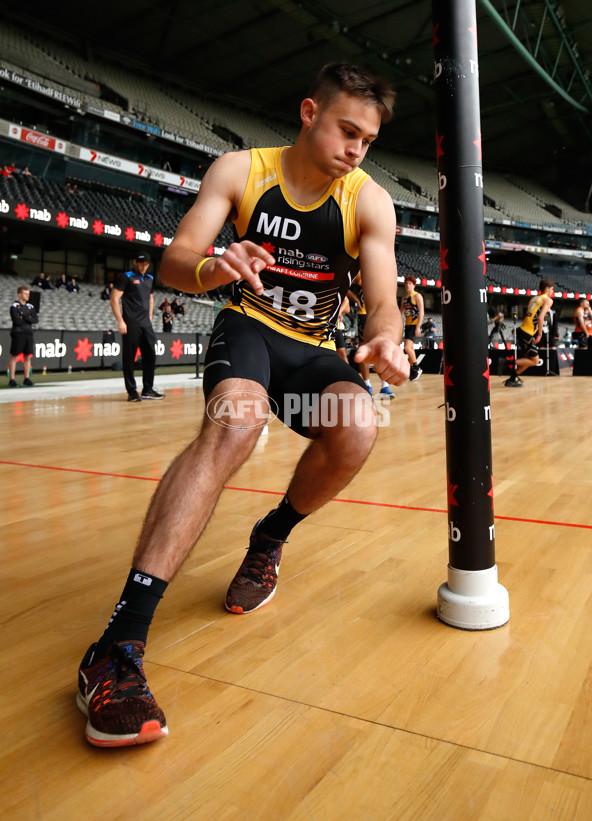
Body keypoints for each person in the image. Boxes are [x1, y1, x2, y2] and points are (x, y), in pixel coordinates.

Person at [76, 62, 410, 747]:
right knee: (236, 422)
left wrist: (385, 337)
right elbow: (177, 261)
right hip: (248, 329)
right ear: (310, 111)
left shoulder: (369, 200)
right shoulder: (239, 170)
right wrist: (214, 266)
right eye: (347, 129)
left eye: (368, 140)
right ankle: (117, 644)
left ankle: (271, 535)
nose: (356, 148)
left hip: (313, 348)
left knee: (358, 427)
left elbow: (383, 299)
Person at [110, 251, 165, 402]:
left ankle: (148, 389)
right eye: (141, 263)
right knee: (129, 358)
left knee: (151, 356)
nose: (144, 266)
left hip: (146, 324)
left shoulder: (150, 278)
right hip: (131, 323)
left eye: (147, 263)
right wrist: (120, 320)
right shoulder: (126, 277)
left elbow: (151, 298)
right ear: (135, 262)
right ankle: (132, 392)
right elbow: (114, 298)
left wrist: (150, 316)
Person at [348, 273, 396, 398]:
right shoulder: (360, 276)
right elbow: (345, 286)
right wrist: (356, 299)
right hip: (364, 316)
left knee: (379, 350)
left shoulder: (375, 275)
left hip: (377, 316)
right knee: (363, 349)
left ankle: (385, 387)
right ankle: (367, 385)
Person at [505, 278, 554, 387]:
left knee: (530, 360)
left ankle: (512, 379)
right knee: (535, 361)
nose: (552, 291)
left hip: (522, 331)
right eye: (551, 289)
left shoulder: (534, 298)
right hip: (527, 333)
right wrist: (540, 334)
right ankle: (506, 362)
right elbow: (540, 318)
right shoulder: (548, 300)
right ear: (546, 289)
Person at [8, 285, 38, 387]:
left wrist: (23, 316)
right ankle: (12, 379)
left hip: (28, 333)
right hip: (18, 333)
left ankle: (27, 378)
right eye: (25, 294)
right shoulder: (14, 306)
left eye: (28, 294)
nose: (27, 296)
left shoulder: (31, 306)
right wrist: (27, 317)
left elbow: (35, 320)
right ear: (19, 294)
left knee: (27, 356)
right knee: (14, 356)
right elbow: (17, 321)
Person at [400, 274, 424, 381]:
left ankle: (416, 367)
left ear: (414, 285)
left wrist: (418, 327)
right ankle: (413, 371)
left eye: (410, 284)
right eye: (406, 284)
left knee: (406, 348)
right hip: (407, 325)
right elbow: (401, 312)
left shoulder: (417, 296)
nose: (407, 285)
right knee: (410, 349)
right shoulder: (404, 298)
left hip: (414, 325)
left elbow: (421, 312)